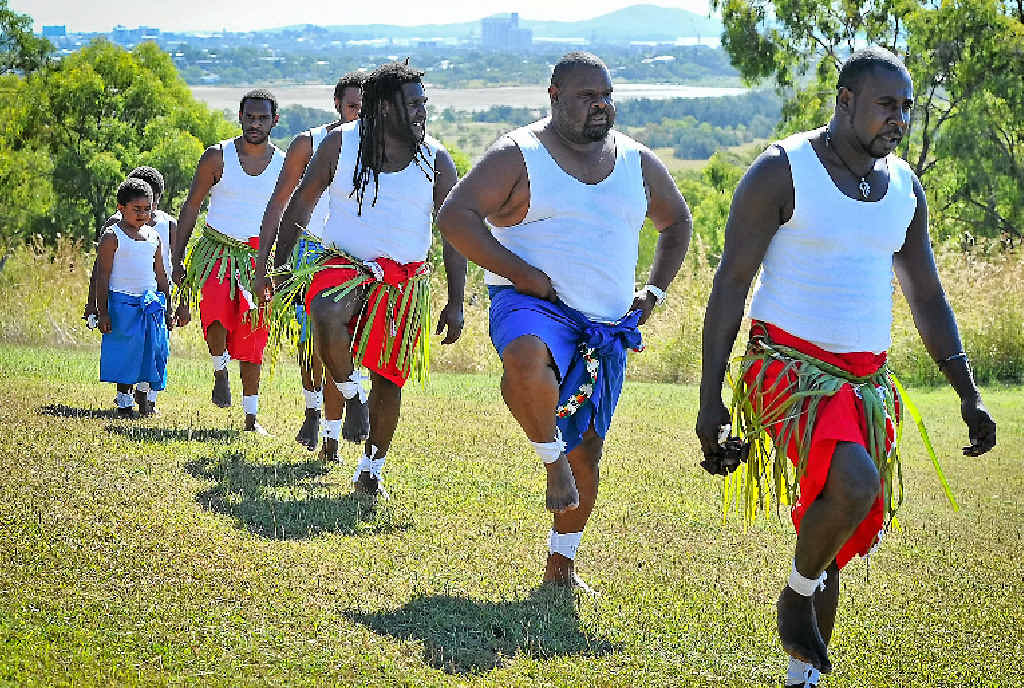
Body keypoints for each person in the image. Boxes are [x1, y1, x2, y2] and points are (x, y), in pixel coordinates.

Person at [693, 47, 997, 687]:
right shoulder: (783, 172)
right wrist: (708, 398)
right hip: (789, 370)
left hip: (867, 383)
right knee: (854, 485)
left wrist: (967, 392)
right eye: (887, 105)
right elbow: (730, 283)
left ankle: (806, 672)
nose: (900, 119)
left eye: (907, 108)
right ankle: (796, 597)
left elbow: (928, 296)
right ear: (846, 101)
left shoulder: (904, 190)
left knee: (836, 523)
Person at [436, 51, 692, 588]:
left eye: (606, 96)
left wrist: (652, 294)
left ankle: (561, 563)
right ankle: (549, 457)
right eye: (586, 96)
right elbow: (455, 216)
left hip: (605, 326)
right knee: (527, 361)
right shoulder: (519, 154)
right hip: (532, 302)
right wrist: (520, 273)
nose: (600, 106)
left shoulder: (637, 162)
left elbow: (677, 222)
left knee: (589, 452)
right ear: (554, 97)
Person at [258, 61, 466, 487]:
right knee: (325, 310)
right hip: (344, 266)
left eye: (423, 103)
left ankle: (372, 468)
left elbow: (455, 233)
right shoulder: (340, 144)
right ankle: (352, 398)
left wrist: (457, 300)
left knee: (389, 380)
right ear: (386, 108)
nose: (422, 112)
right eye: (413, 105)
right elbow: (301, 204)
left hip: (403, 281)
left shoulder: (436, 160)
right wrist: (279, 264)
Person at [254, 72, 367, 453]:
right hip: (308, 253)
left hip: (353, 257)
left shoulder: (378, 150)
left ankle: (333, 437)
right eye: (353, 106)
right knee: (311, 343)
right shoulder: (311, 143)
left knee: (343, 347)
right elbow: (280, 204)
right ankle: (312, 410)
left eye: (366, 107)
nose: (359, 114)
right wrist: (267, 266)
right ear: (337, 104)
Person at [172, 89, 285, 433]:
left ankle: (251, 417)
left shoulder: (283, 163)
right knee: (216, 314)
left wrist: (282, 266)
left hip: (257, 258)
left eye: (262, 118)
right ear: (240, 117)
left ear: (274, 121)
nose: (255, 123)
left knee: (253, 337)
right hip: (217, 252)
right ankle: (220, 369)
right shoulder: (217, 156)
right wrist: (177, 256)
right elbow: (191, 206)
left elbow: (292, 212)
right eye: (249, 117)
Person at [85, 166, 186, 415]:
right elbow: (102, 274)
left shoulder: (154, 236)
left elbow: (161, 275)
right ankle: (124, 402)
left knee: (151, 350)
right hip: (122, 302)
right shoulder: (113, 235)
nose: (142, 214)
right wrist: (102, 311)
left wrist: (169, 307)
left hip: (150, 303)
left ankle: (145, 397)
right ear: (121, 208)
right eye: (136, 209)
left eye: (147, 209)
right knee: (126, 350)